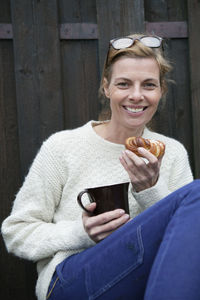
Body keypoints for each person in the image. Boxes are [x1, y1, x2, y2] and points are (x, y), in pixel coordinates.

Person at [2, 33, 199, 300]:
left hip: (144, 281)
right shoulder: (62, 147)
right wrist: (81, 232)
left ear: (162, 90)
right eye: (124, 84)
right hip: (71, 279)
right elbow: (16, 232)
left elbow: (184, 245)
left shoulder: (171, 153)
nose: (136, 95)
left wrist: (150, 189)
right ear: (106, 88)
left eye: (149, 85)